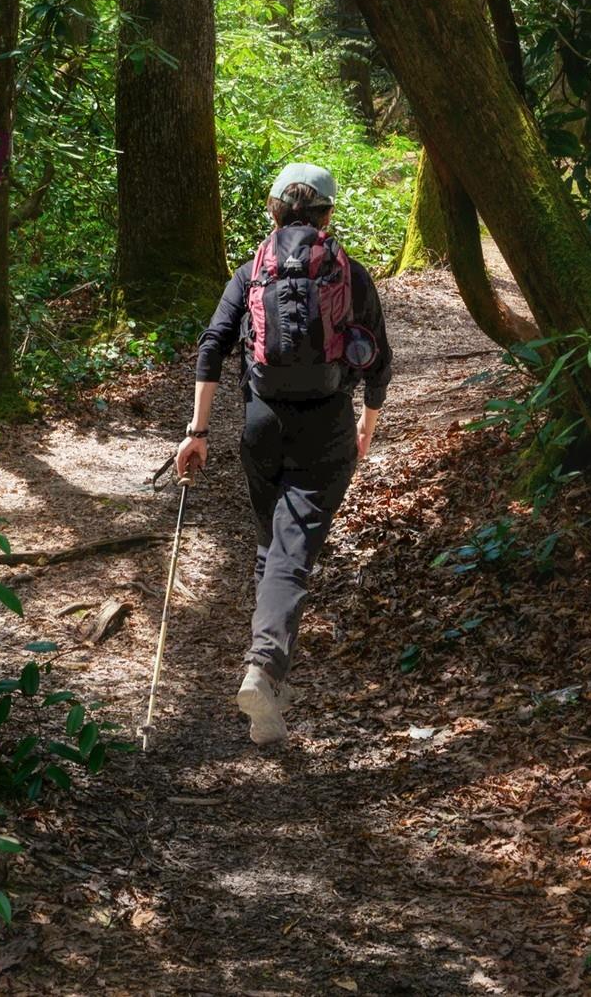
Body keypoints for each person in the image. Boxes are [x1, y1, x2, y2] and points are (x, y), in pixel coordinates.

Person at [175, 162, 392, 746]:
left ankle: (268, 703)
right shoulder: (349, 273)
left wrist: (197, 432)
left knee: (273, 542)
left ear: (274, 211)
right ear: (325, 214)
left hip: (260, 424)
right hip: (326, 426)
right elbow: (379, 361)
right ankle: (264, 666)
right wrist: (367, 427)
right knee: (292, 551)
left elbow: (212, 347)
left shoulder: (251, 273)